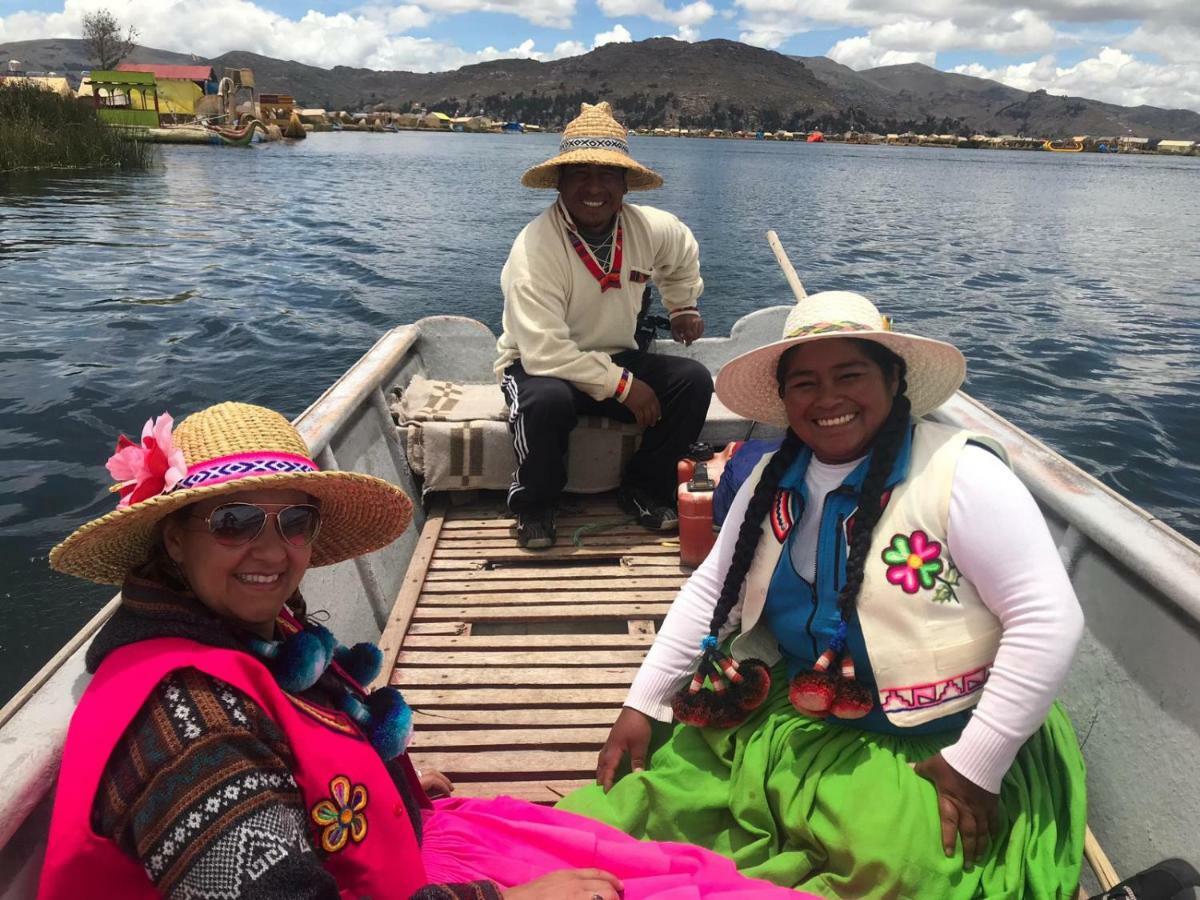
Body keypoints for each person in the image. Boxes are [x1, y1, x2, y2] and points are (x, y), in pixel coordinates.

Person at [39, 401, 812, 900]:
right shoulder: (185, 729)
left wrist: (380, 776)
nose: (270, 550)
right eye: (235, 522)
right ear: (174, 537)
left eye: (294, 521)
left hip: (395, 860)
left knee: (653, 869)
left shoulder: (241, 630)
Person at [558, 292, 1089, 897]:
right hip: (793, 705)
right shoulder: (772, 476)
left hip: (939, 734)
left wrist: (978, 765)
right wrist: (646, 701)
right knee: (644, 807)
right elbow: (713, 589)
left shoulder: (962, 475)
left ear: (894, 380)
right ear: (784, 401)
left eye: (850, 375)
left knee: (903, 868)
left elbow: (1048, 619)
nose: (828, 398)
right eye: (804, 383)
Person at [495, 101, 713, 548]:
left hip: (614, 356)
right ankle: (536, 505)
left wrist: (682, 306)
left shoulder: (651, 228)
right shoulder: (535, 249)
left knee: (692, 382)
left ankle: (643, 489)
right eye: (580, 174)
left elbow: (682, 254)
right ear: (558, 182)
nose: (594, 187)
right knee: (547, 403)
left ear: (625, 184)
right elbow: (543, 352)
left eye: (607, 174)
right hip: (540, 368)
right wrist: (622, 385)